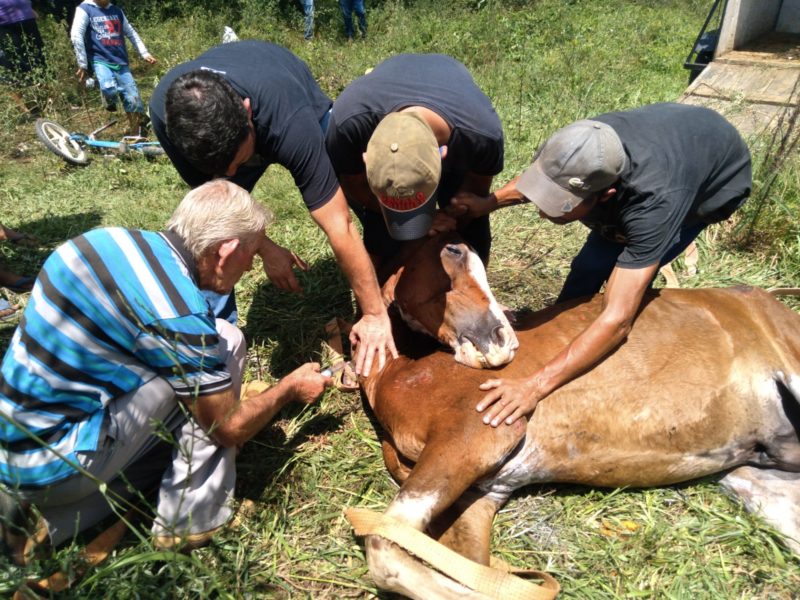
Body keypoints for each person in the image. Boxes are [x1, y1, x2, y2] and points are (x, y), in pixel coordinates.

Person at [0, 180, 332, 562]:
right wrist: (288, 389)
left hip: (17, 442)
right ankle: (189, 519)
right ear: (226, 251)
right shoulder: (179, 312)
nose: (253, 264)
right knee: (222, 354)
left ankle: (47, 518)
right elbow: (226, 426)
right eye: (253, 253)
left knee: (212, 357)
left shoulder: (103, 241)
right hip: (58, 463)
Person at [448, 102, 751, 427]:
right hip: (674, 140)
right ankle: (565, 331)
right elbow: (546, 177)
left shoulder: (654, 206)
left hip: (713, 184)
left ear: (605, 195)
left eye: (559, 207)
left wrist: (534, 387)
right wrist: (488, 203)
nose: (542, 214)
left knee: (626, 292)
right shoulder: (579, 145)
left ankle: (608, 360)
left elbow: (618, 319)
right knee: (589, 266)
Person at [149, 40, 396, 377]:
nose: (234, 176)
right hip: (239, 117)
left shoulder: (288, 120)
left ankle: (388, 262)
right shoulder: (170, 117)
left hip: (285, 85)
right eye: (224, 169)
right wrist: (265, 248)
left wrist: (373, 315)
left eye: (239, 162)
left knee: (349, 179)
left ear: (248, 113)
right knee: (212, 234)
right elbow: (216, 211)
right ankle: (217, 340)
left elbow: (339, 223)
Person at [324, 53, 504, 268]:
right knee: (380, 233)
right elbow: (356, 187)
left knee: (473, 230)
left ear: (442, 156)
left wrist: (451, 215)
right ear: (366, 158)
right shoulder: (347, 126)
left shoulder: (481, 135)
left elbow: (474, 195)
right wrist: (405, 218)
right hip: (382, 87)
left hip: (445, 72)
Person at [69, 0, 156, 135]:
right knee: (108, 87)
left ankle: (136, 131)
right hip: (100, 59)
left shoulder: (117, 11)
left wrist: (144, 53)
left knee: (133, 98)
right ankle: (108, 97)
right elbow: (76, 35)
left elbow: (131, 32)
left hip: (121, 61)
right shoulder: (85, 9)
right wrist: (82, 64)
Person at [0, 0, 46, 112]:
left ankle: (45, 101)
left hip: (27, 18)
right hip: (5, 24)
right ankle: (23, 107)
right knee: (12, 65)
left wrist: (29, 9)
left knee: (39, 58)